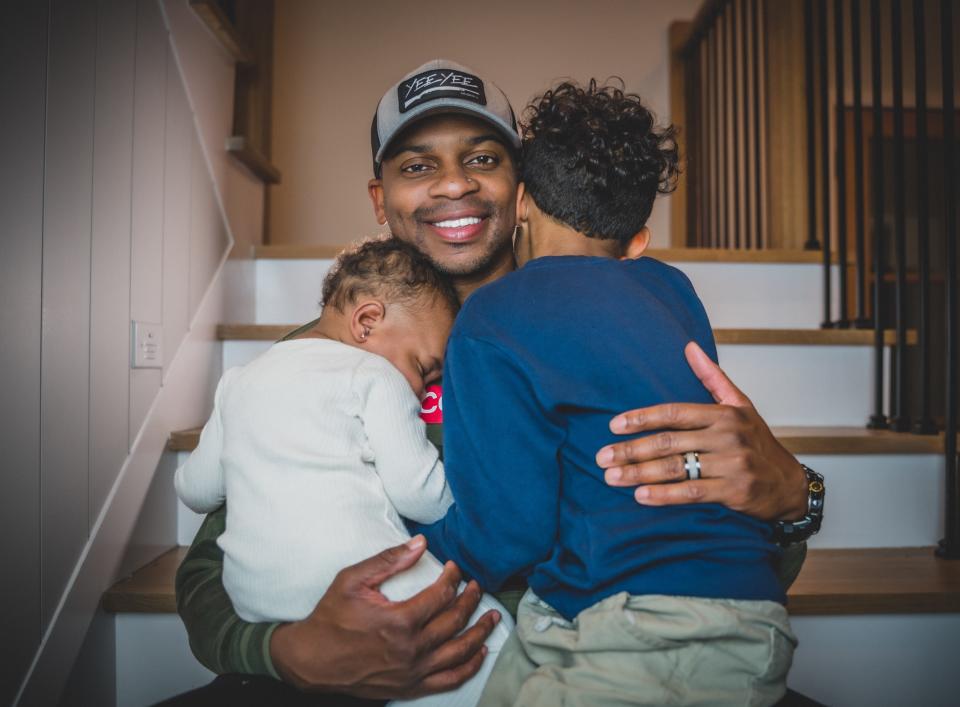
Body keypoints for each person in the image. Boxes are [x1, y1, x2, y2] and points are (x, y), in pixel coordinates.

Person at [173, 60, 820, 704]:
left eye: (483, 158)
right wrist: (285, 650)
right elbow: (211, 561)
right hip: (363, 672)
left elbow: (712, 552)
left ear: (523, 189)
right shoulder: (328, 350)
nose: (453, 184)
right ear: (381, 199)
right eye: (418, 165)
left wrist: (795, 495)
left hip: (589, 658)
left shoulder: (610, 320)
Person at [409, 80, 798, 706]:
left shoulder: (493, 319)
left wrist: (404, 538)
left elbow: (510, 533)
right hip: (716, 604)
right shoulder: (672, 289)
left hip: (652, 628)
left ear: (524, 202)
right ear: (638, 238)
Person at [173, 237, 513, 706]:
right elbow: (420, 496)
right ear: (367, 322)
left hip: (256, 603)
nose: (421, 389)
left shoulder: (239, 380)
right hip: (361, 587)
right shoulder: (375, 377)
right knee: (493, 631)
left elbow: (195, 490)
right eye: (423, 368)